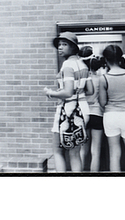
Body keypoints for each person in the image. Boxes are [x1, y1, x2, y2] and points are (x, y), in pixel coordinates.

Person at [44, 32, 94, 172]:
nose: (60, 47)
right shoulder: (83, 65)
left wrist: (50, 93)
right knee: (75, 153)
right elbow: (90, 91)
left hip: (67, 110)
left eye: (64, 44)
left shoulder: (67, 65)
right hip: (83, 110)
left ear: (73, 47)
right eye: (59, 45)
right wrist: (78, 91)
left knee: (58, 151)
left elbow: (67, 92)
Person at [78, 46, 104, 172]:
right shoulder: (100, 79)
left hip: (83, 114)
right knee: (96, 151)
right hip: (97, 114)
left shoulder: (81, 79)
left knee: (83, 151)